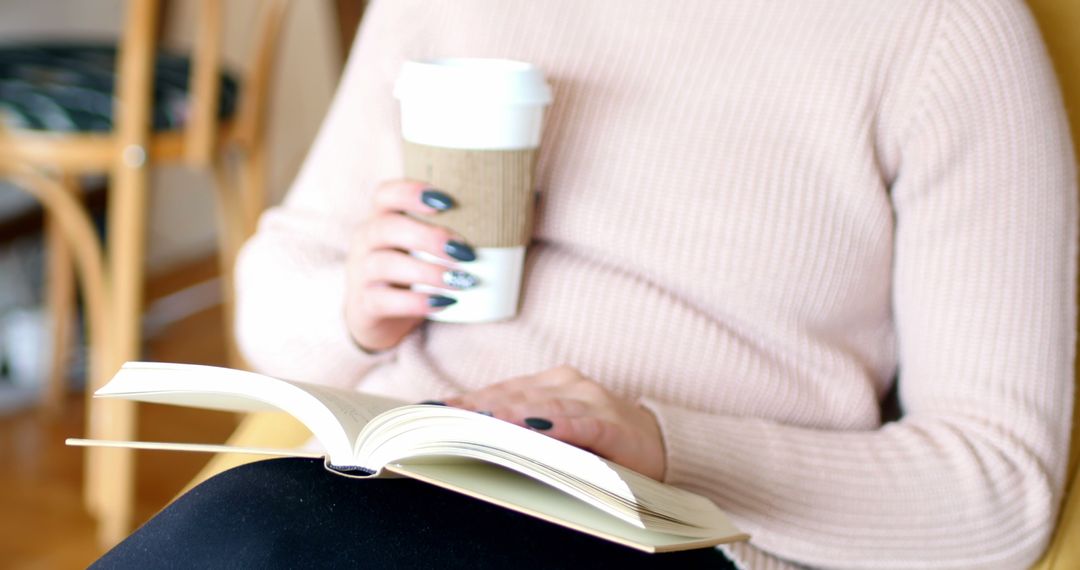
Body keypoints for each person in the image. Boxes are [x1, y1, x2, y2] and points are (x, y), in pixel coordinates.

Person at [95, 0, 1077, 568]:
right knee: (238, 536)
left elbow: (1001, 491)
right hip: (385, 478)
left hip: (674, 539)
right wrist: (354, 306)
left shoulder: (945, 31)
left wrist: (664, 447)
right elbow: (277, 296)